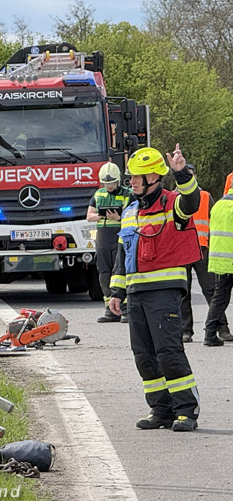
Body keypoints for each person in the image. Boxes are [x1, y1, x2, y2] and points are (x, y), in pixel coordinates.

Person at [109, 144, 201, 432]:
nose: (132, 181)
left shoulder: (173, 202)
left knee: (168, 352)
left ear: (154, 178)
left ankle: (186, 410)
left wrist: (181, 173)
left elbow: (192, 202)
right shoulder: (130, 210)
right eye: (131, 177)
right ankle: (160, 410)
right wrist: (116, 291)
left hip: (164, 291)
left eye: (137, 177)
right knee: (144, 355)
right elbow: (122, 254)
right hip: (136, 294)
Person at [180, 164, 231, 342]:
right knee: (183, 292)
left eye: (191, 175)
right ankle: (186, 331)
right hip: (182, 251)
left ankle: (222, 328)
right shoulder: (174, 198)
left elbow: (214, 222)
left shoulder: (205, 196)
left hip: (202, 249)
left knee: (212, 290)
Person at [86, 162, 132, 322]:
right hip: (103, 235)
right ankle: (110, 309)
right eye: (106, 183)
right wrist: (104, 215)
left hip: (120, 234)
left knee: (120, 270)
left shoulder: (127, 194)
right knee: (104, 272)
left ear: (118, 180)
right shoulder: (98, 194)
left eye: (111, 182)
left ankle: (125, 309)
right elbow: (89, 216)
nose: (109, 186)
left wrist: (118, 218)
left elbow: (133, 214)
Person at [203, 191, 233, 346]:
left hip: (219, 259)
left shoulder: (218, 205)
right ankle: (210, 332)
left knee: (219, 298)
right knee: (220, 298)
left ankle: (209, 333)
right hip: (230, 258)